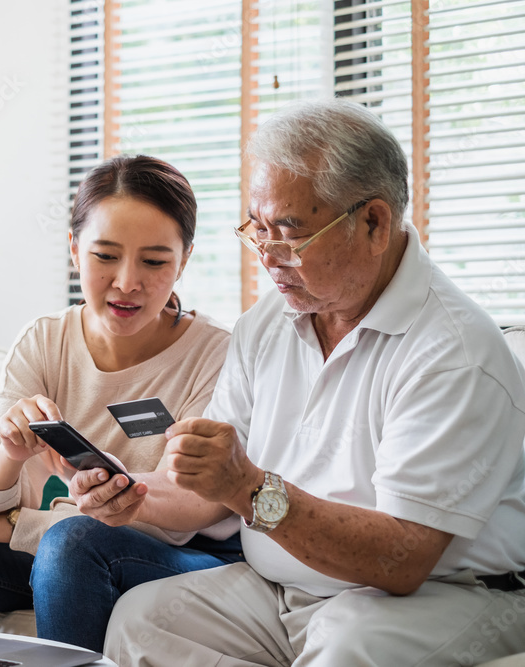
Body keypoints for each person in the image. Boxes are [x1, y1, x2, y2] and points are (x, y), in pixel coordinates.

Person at [79, 100, 525, 666]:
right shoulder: (265, 324)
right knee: (143, 620)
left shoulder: (453, 351)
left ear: (373, 223)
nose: (267, 256)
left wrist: (246, 487)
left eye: (289, 234)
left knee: (349, 646)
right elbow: (201, 491)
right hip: (283, 590)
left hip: (438, 596)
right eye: (256, 230)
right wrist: (129, 497)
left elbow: (403, 559)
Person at [0, 154, 243, 652]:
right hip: (65, 556)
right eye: (105, 256)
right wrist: (10, 453)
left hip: (181, 555)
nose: (127, 282)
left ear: (185, 259)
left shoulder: (216, 353)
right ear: (74, 249)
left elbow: (192, 507)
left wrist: (8, 528)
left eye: (154, 261)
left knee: (73, 544)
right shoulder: (45, 342)